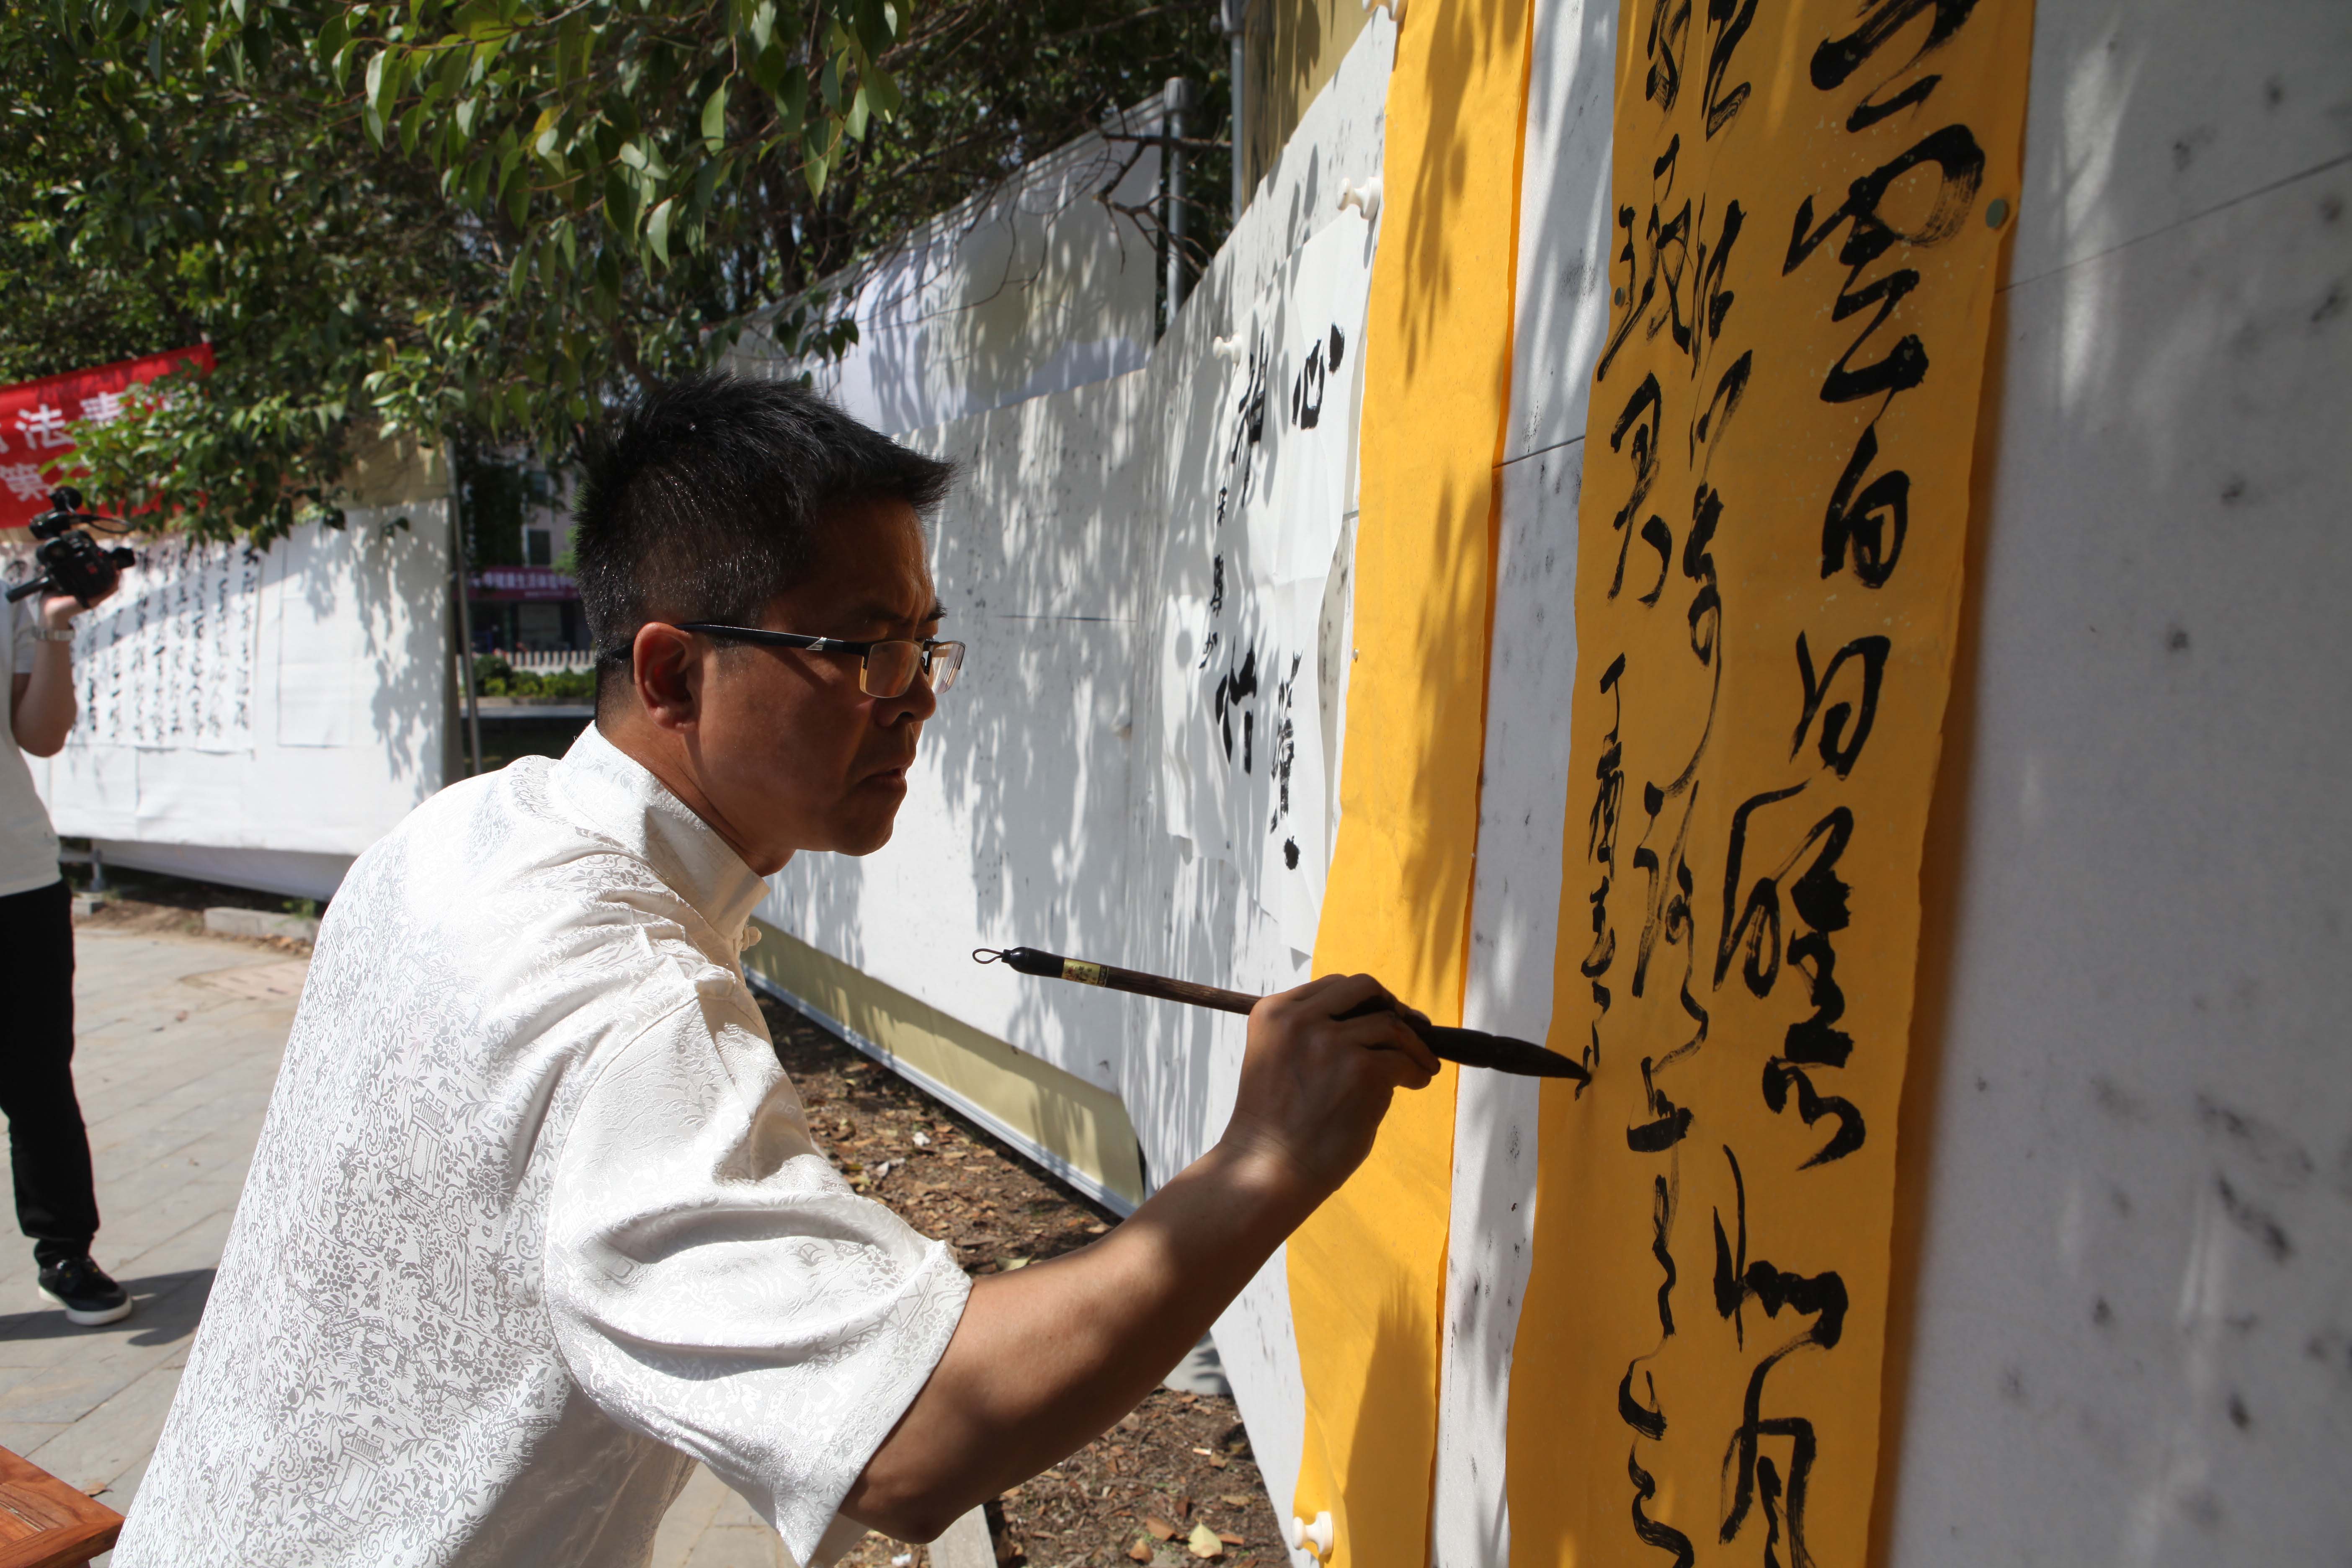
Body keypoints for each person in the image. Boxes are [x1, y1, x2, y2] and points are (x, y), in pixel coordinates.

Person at [114, 374, 1434, 1567]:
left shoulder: (460, 834)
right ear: (675, 672)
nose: (913, 695)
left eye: (923, 642)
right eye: (862, 649)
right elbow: (909, 1445)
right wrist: (1269, 1158)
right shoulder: (623, 1003)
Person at [1, 556, 129, 1326]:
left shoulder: (8, 591)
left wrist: (53, 632)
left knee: (39, 1081)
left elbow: (39, 736)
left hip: (15, 880)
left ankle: (64, 1252)